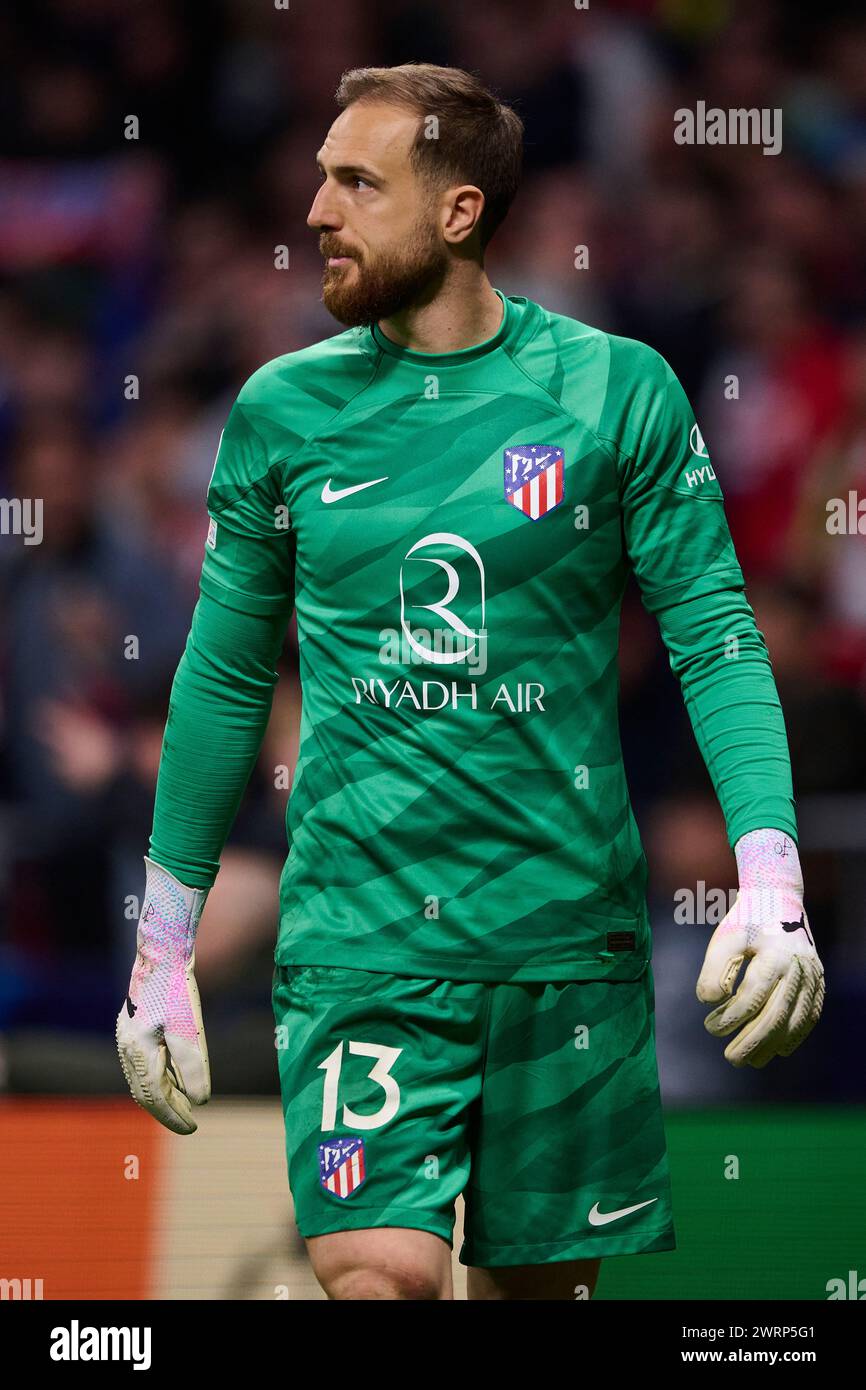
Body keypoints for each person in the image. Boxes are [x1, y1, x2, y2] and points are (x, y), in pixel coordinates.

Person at [116, 63, 824, 1301]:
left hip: (563, 937)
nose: (316, 212)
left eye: (355, 182)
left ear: (456, 214)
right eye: (320, 177)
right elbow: (224, 677)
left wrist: (769, 876)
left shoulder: (617, 392)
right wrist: (161, 942)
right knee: (375, 1274)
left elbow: (712, 633)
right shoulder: (283, 412)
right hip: (360, 935)